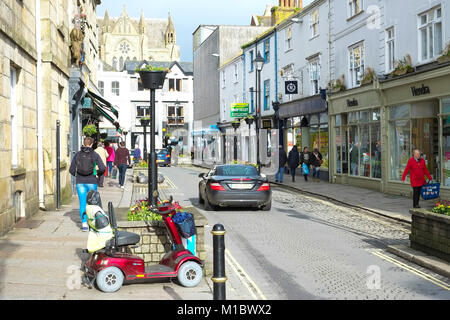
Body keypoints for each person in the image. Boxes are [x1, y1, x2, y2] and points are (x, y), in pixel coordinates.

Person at [69, 137, 106, 232]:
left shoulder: (77, 155)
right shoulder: (94, 155)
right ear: (91, 144)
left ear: (83, 143)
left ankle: (84, 224)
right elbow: (102, 168)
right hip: (92, 181)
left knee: (82, 203)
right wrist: (97, 174)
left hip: (80, 182)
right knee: (93, 203)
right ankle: (93, 223)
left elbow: (71, 170)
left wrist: (77, 175)